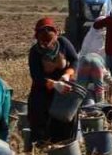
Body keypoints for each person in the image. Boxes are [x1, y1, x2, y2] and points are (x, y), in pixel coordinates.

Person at [27, 17, 79, 145]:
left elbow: (75, 60)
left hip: (64, 90)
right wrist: (55, 84)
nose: (47, 44)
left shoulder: (64, 43)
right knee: (40, 122)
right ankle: (41, 144)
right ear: (37, 38)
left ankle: (63, 145)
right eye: (43, 42)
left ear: (55, 35)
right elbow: (36, 77)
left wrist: (67, 74)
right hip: (42, 91)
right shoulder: (34, 52)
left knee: (64, 121)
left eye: (49, 41)